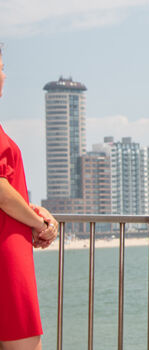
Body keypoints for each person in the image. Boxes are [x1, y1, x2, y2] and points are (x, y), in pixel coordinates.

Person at [0, 44, 59, 349]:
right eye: (0, 68)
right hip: (6, 250)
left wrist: (31, 210)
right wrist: (38, 222)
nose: (5, 76)